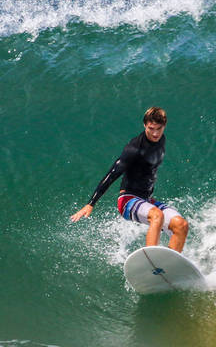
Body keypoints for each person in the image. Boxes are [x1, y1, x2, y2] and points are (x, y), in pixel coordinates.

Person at [70, 106, 190, 252]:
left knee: (181, 225)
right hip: (128, 200)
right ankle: (151, 260)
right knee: (156, 215)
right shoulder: (134, 149)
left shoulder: (161, 140)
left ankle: (168, 266)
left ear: (164, 126)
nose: (155, 133)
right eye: (151, 128)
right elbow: (112, 174)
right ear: (145, 125)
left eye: (159, 128)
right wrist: (91, 203)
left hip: (146, 199)